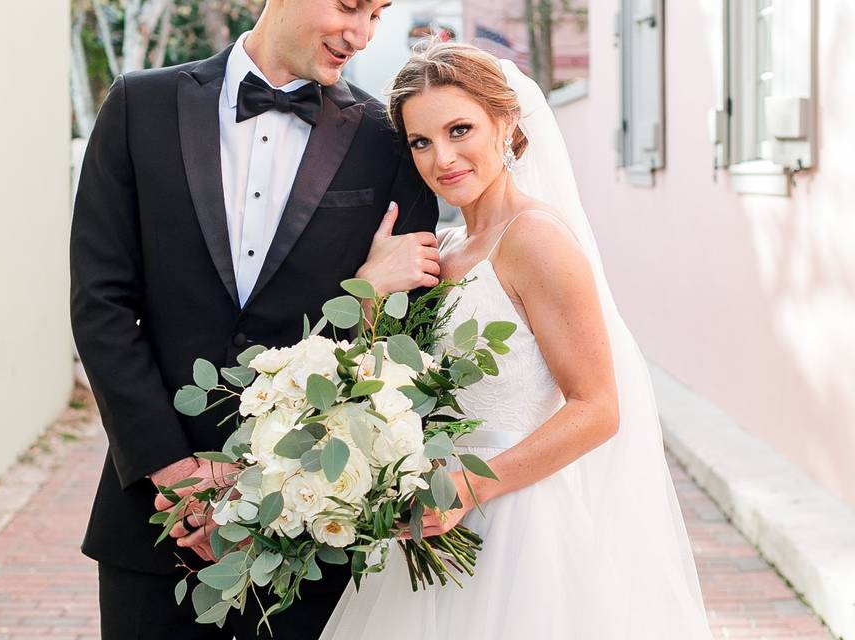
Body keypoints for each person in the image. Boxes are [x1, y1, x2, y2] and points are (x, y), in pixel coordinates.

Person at [69, 0, 440, 637]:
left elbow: (396, 346)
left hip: (312, 529)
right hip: (152, 522)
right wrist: (177, 475)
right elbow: (100, 304)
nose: (361, 33)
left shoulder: (389, 142)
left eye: (378, 14)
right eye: (350, 5)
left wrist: (369, 291)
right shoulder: (139, 106)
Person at [321, 41, 713, 639]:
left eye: (459, 129)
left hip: (515, 525)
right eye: (421, 142)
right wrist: (371, 291)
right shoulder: (441, 248)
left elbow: (598, 409)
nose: (442, 158)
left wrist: (466, 487)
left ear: (505, 121)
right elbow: (387, 389)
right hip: (425, 522)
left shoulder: (535, 239)